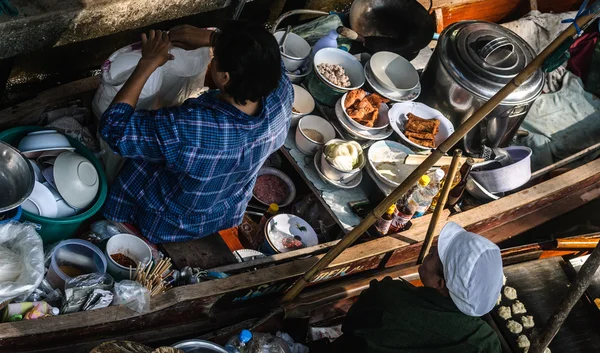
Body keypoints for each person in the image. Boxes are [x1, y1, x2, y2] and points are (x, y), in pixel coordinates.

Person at [98, 21, 292, 243]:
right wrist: (211, 39)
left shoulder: (193, 129)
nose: (212, 59)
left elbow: (114, 128)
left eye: (215, 58)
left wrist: (147, 63)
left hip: (166, 222)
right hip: (222, 211)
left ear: (225, 77)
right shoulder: (281, 93)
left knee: (141, 155)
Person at [320, 222, 504, 353]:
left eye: (434, 254)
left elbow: (350, 325)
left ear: (439, 283)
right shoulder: (486, 342)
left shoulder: (388, 296)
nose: (431, 249)